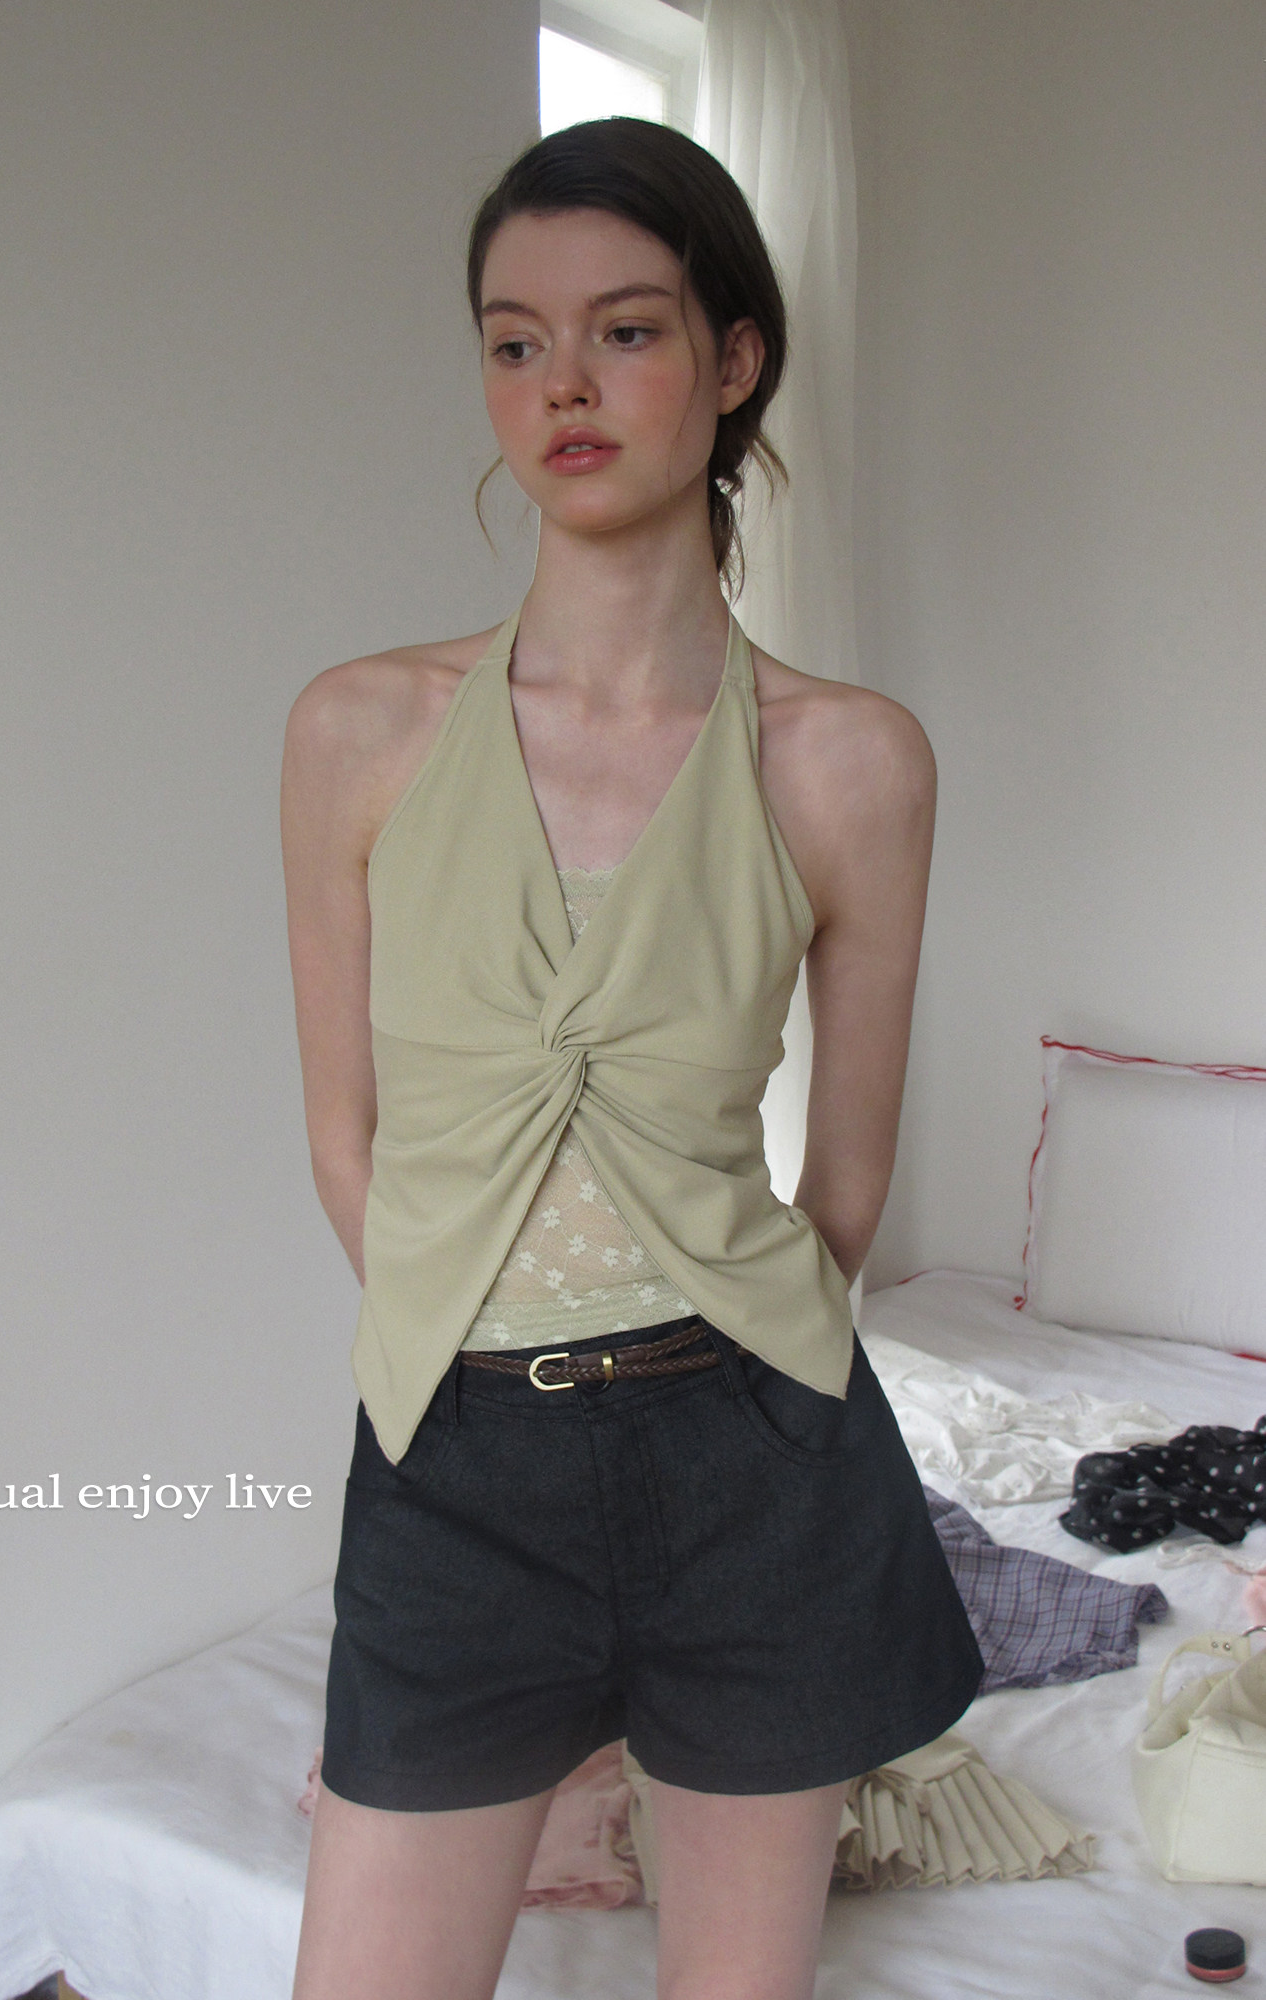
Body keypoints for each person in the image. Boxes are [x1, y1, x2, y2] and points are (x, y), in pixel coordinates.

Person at [280, 117, 983, 2000]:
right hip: (453, 1457)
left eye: (626, 331)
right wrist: (481, 1368)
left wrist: (728, 1397)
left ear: (735, 358)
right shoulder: (359, 731)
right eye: (515, 343)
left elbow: (846, 1183)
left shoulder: (849, 761)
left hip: (757, 1462)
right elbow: (348, 1140)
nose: (562, 387)